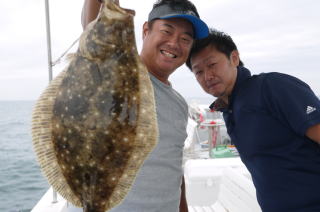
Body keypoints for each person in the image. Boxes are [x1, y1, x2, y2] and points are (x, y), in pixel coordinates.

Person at [76, 0, 209, 212]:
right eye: (167, 31)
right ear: (146, 30)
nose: (174, 43)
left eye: (185, 39)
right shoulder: (114, 72)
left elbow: (173, 169)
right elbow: (93, 28)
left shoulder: (180, 104)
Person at [186, 29, 320, 212]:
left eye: (212, 65)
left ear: (234, 58)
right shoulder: (228, 109)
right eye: (198, 72)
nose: (207, 76)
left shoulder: (272, 87)